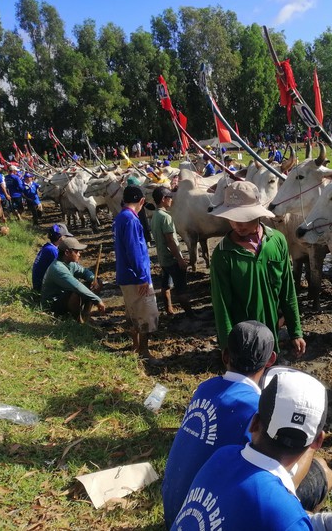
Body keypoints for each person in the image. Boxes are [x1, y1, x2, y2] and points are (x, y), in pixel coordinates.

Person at [170, 371, 332, 531]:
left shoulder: (223, 456)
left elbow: (290, 521)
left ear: (254, 423)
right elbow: (287, 520)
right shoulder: (281, 512)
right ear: (317, 442)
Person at [162, 321, 279, 526]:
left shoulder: (205, 387)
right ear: (271, 360)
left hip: (173, 510)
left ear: (225, 356)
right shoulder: (256, 409)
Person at [209, 180, 305, 359]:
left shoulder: (277, 241)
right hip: (243, 336)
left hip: (273, 329)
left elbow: (287, 290)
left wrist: (295, 331)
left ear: (258, 214)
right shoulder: (223, 255)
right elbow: (221, 305)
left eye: (244, 218)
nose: (238, 224)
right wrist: (227, 344)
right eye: (233, 218)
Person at [113, 185, 159, 361]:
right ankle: (144, 352)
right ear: (141, 201)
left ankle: (135, 346)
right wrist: (142, 277)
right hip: (136, 276)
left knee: (132, 311)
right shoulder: (131, 220)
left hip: (125, 274)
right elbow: (134, 251)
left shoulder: (120, 217)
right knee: (146, 314)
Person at [40, 236, 105, 322]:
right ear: (67, 252)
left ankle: (85, 314)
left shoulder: (70, 263)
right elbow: (77, 287)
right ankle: (78, 321)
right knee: (76, 292)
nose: (79, 254)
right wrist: (97, 300)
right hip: (53, 305)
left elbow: (85, 272)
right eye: (76, 251)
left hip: (64, 298)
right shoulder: (58, 268)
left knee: (97, 282)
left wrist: (93, 279)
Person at [150, 186, 192, 316]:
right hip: (172, 258)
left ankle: (169, 310)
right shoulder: (166, 217)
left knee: (165, 285)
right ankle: (190, 314)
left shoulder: (155, 216)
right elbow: (170, 240)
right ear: (163, 199)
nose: (171, 201)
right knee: (181, 289)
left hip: (163, 258)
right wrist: (180, 259)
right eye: (170, 198)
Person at [32, 223, 73, 292]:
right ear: (61, 238)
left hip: (39, 285)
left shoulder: (47, 247)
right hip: (42, 289)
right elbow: (62, 271)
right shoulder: (52, 251)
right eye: (66, 237)